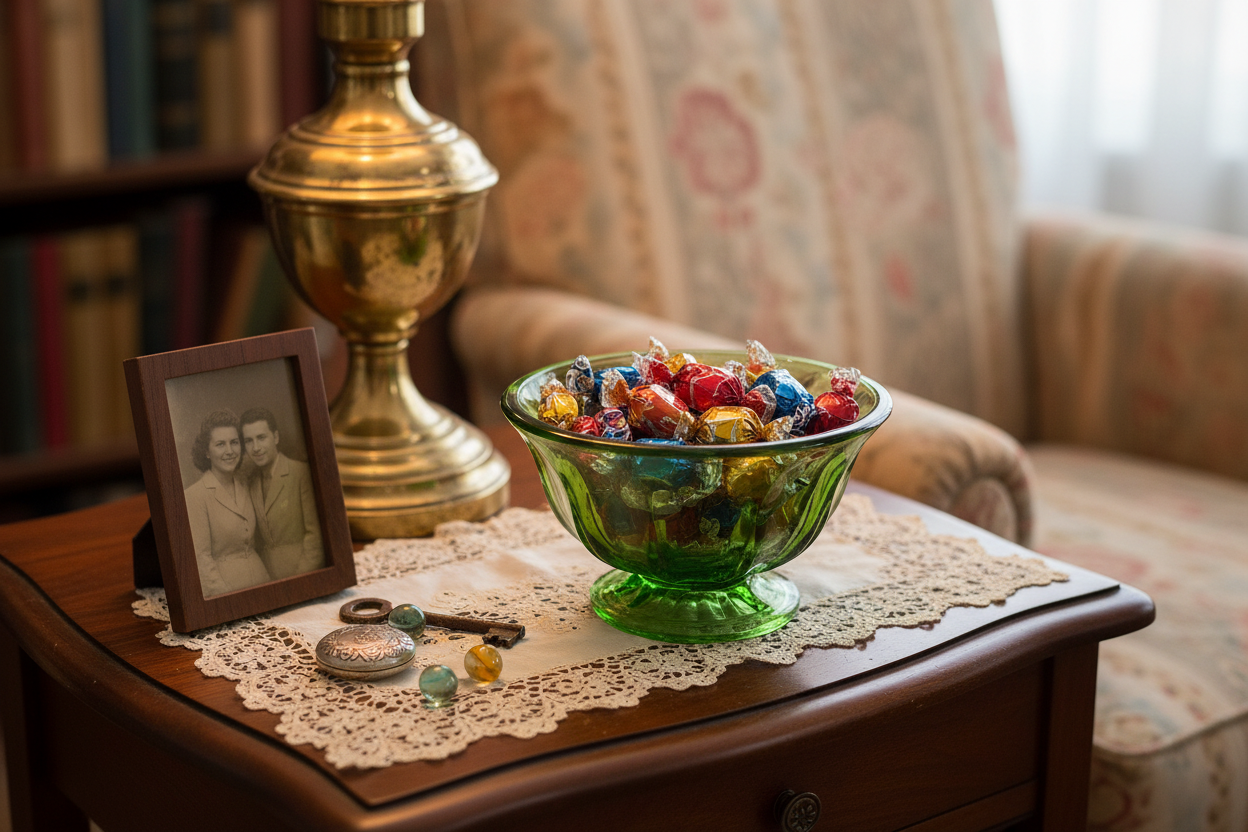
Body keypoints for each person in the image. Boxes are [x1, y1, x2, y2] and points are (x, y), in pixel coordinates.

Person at [184, 410, 272, 597]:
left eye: (234, 442)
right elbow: (202, 560)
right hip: (227, 592)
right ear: (206, 452)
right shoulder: (195, 496)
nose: (230, 451)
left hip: (261, 581)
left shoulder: (245, 484)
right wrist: (225, 603)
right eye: (220, 444)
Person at [240, 407, 323, 580]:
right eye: (249, 441)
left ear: (275, 437)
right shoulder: (252, 482)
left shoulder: (300, 472)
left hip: (301, 573)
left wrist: (300, 578)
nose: (255, 448)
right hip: (267, 577)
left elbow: (315, 537)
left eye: (261, 438)